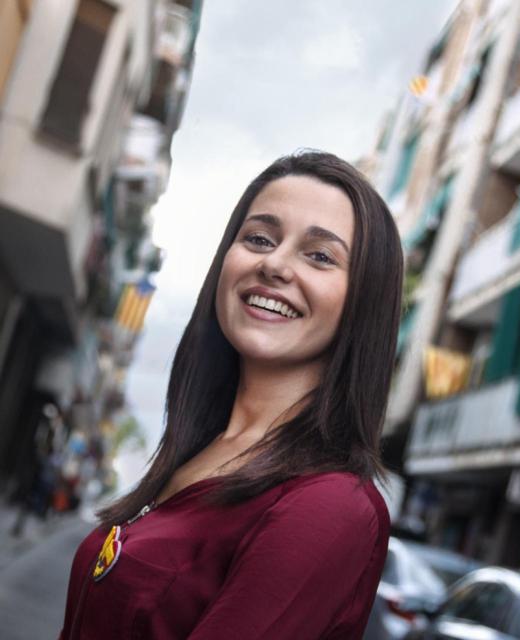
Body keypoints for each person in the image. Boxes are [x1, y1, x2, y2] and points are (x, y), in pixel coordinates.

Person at [59, 151, 404, 639]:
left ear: (363, 303)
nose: (274, 264)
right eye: (259, 239)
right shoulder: (197, 450)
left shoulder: (328, 507)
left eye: (320, 256)